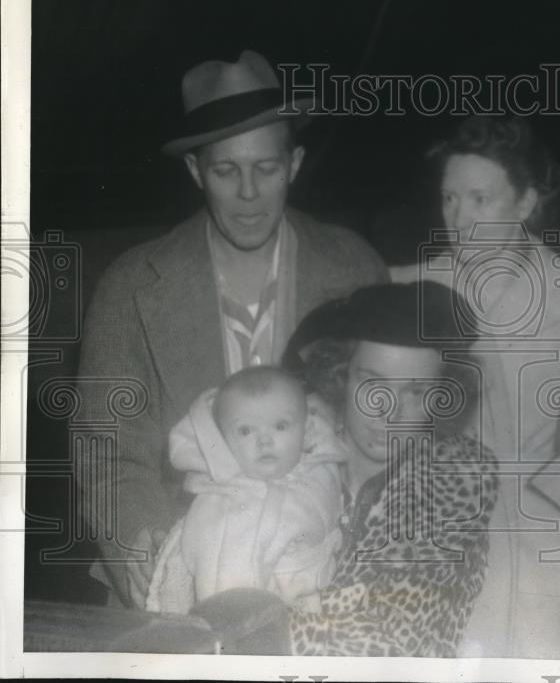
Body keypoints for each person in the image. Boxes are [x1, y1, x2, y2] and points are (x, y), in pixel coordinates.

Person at [76, 49, 387, 608]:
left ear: (293, 164)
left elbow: (388, 433)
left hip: (324, 581)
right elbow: (106, 448)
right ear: (196, 171)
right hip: (176, 584)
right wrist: (144, 547)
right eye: (225, 170)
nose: (248, 194)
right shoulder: (129, 286)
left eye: (266, 169)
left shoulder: (355, 269)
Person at [391, 116, 560, 658]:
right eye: (448, 199)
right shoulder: (404, 289)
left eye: (479, 199)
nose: (459, 218)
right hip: (440, 542)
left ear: (525, 202)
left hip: (554, 547)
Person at [280, 281, 500, 656]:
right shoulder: (288, 451)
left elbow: (378, 645)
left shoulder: (458, 482)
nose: (389, 413)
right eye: (372, 383)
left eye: (415, 392)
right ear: (341, 375)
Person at [145, 366, 346, 614]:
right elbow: (216, 582)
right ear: (220, 440)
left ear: (307, 431)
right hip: (233, 624)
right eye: (246, 430)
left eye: (280, 426)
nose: (264, 440)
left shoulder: (319, 478)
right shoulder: (218, 498)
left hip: (310, 620)